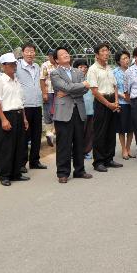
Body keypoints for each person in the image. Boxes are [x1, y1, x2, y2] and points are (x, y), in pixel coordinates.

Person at [50, 47, 94, 183]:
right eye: (62, 54)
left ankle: (79, 170)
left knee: (79, 141)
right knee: (64, 143)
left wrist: (69, 91)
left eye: (66, 53)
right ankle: (62, 173)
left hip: (78, 110)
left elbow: (86, 90)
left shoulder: (77, 71)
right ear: (57, 60)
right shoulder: (55, 73)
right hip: (63, 112)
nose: (66, 55)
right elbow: (70, 87)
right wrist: (78, 86)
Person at [0, 52, 29, 186]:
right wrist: (3, 120)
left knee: (19, 145)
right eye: (11, 64)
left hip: (18, 114)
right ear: (3, 66)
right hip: (7, 115)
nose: (14, 66)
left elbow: (21, 101)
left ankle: (16, 173)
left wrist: (24, 118)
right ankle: (4, 175)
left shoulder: (16, 80)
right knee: (6, 147)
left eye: (15, 63)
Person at [87, 42, 123, 172]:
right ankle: (99, 161)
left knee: (110, 131)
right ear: (97, 54)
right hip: (102, 102)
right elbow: (95, 91)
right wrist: (108, 104)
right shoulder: (93, 69)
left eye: (107, 50)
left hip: (112, 100)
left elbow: (115, 86)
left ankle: (109, 158)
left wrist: (116, 102)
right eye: (103, 50)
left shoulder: (109, 68)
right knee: (100, 132)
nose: (106, 53)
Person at [16, 43, 47, 172]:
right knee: (24, 135)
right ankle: (22, 163)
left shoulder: (37, 66)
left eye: (32, 51)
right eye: (27, 51)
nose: (30, 54)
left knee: (36, 134)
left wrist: (43, 93)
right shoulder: (17, 66)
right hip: (24, 105)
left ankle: (35, 160)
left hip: (37, 104)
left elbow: (41, 82)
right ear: (22, 53)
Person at [113, 51, 134, 160]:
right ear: (118, 61)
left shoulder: (132, 71)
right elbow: (114, 88)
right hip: (122, 103)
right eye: (124, 58)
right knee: (121, 128)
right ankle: (123, 149)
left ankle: (128, 148)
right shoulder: (115, 72)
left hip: (132, 102)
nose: (127, 60)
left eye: (127, 58)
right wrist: (123, 96)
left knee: (131, 127)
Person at [74, 58, 94, 160]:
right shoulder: (74, 79)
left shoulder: (90, 78)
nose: (83, 69)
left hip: (91, 109)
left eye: (85, 67)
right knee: (79, 132)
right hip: (80, 110)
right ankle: (77, 152)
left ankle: (86, 151)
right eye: (80, 67)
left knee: (89, 132)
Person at [40, 49, 57, 147]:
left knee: (57, 112)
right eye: (50, 56)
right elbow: (42, 80)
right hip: (49, 92)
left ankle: (52, 133)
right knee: (48, 112)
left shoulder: (58, 65)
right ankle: (49, 133)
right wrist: (44, 93)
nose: (52, 58)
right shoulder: (45, 65)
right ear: (48, 57)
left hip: (58, 92)